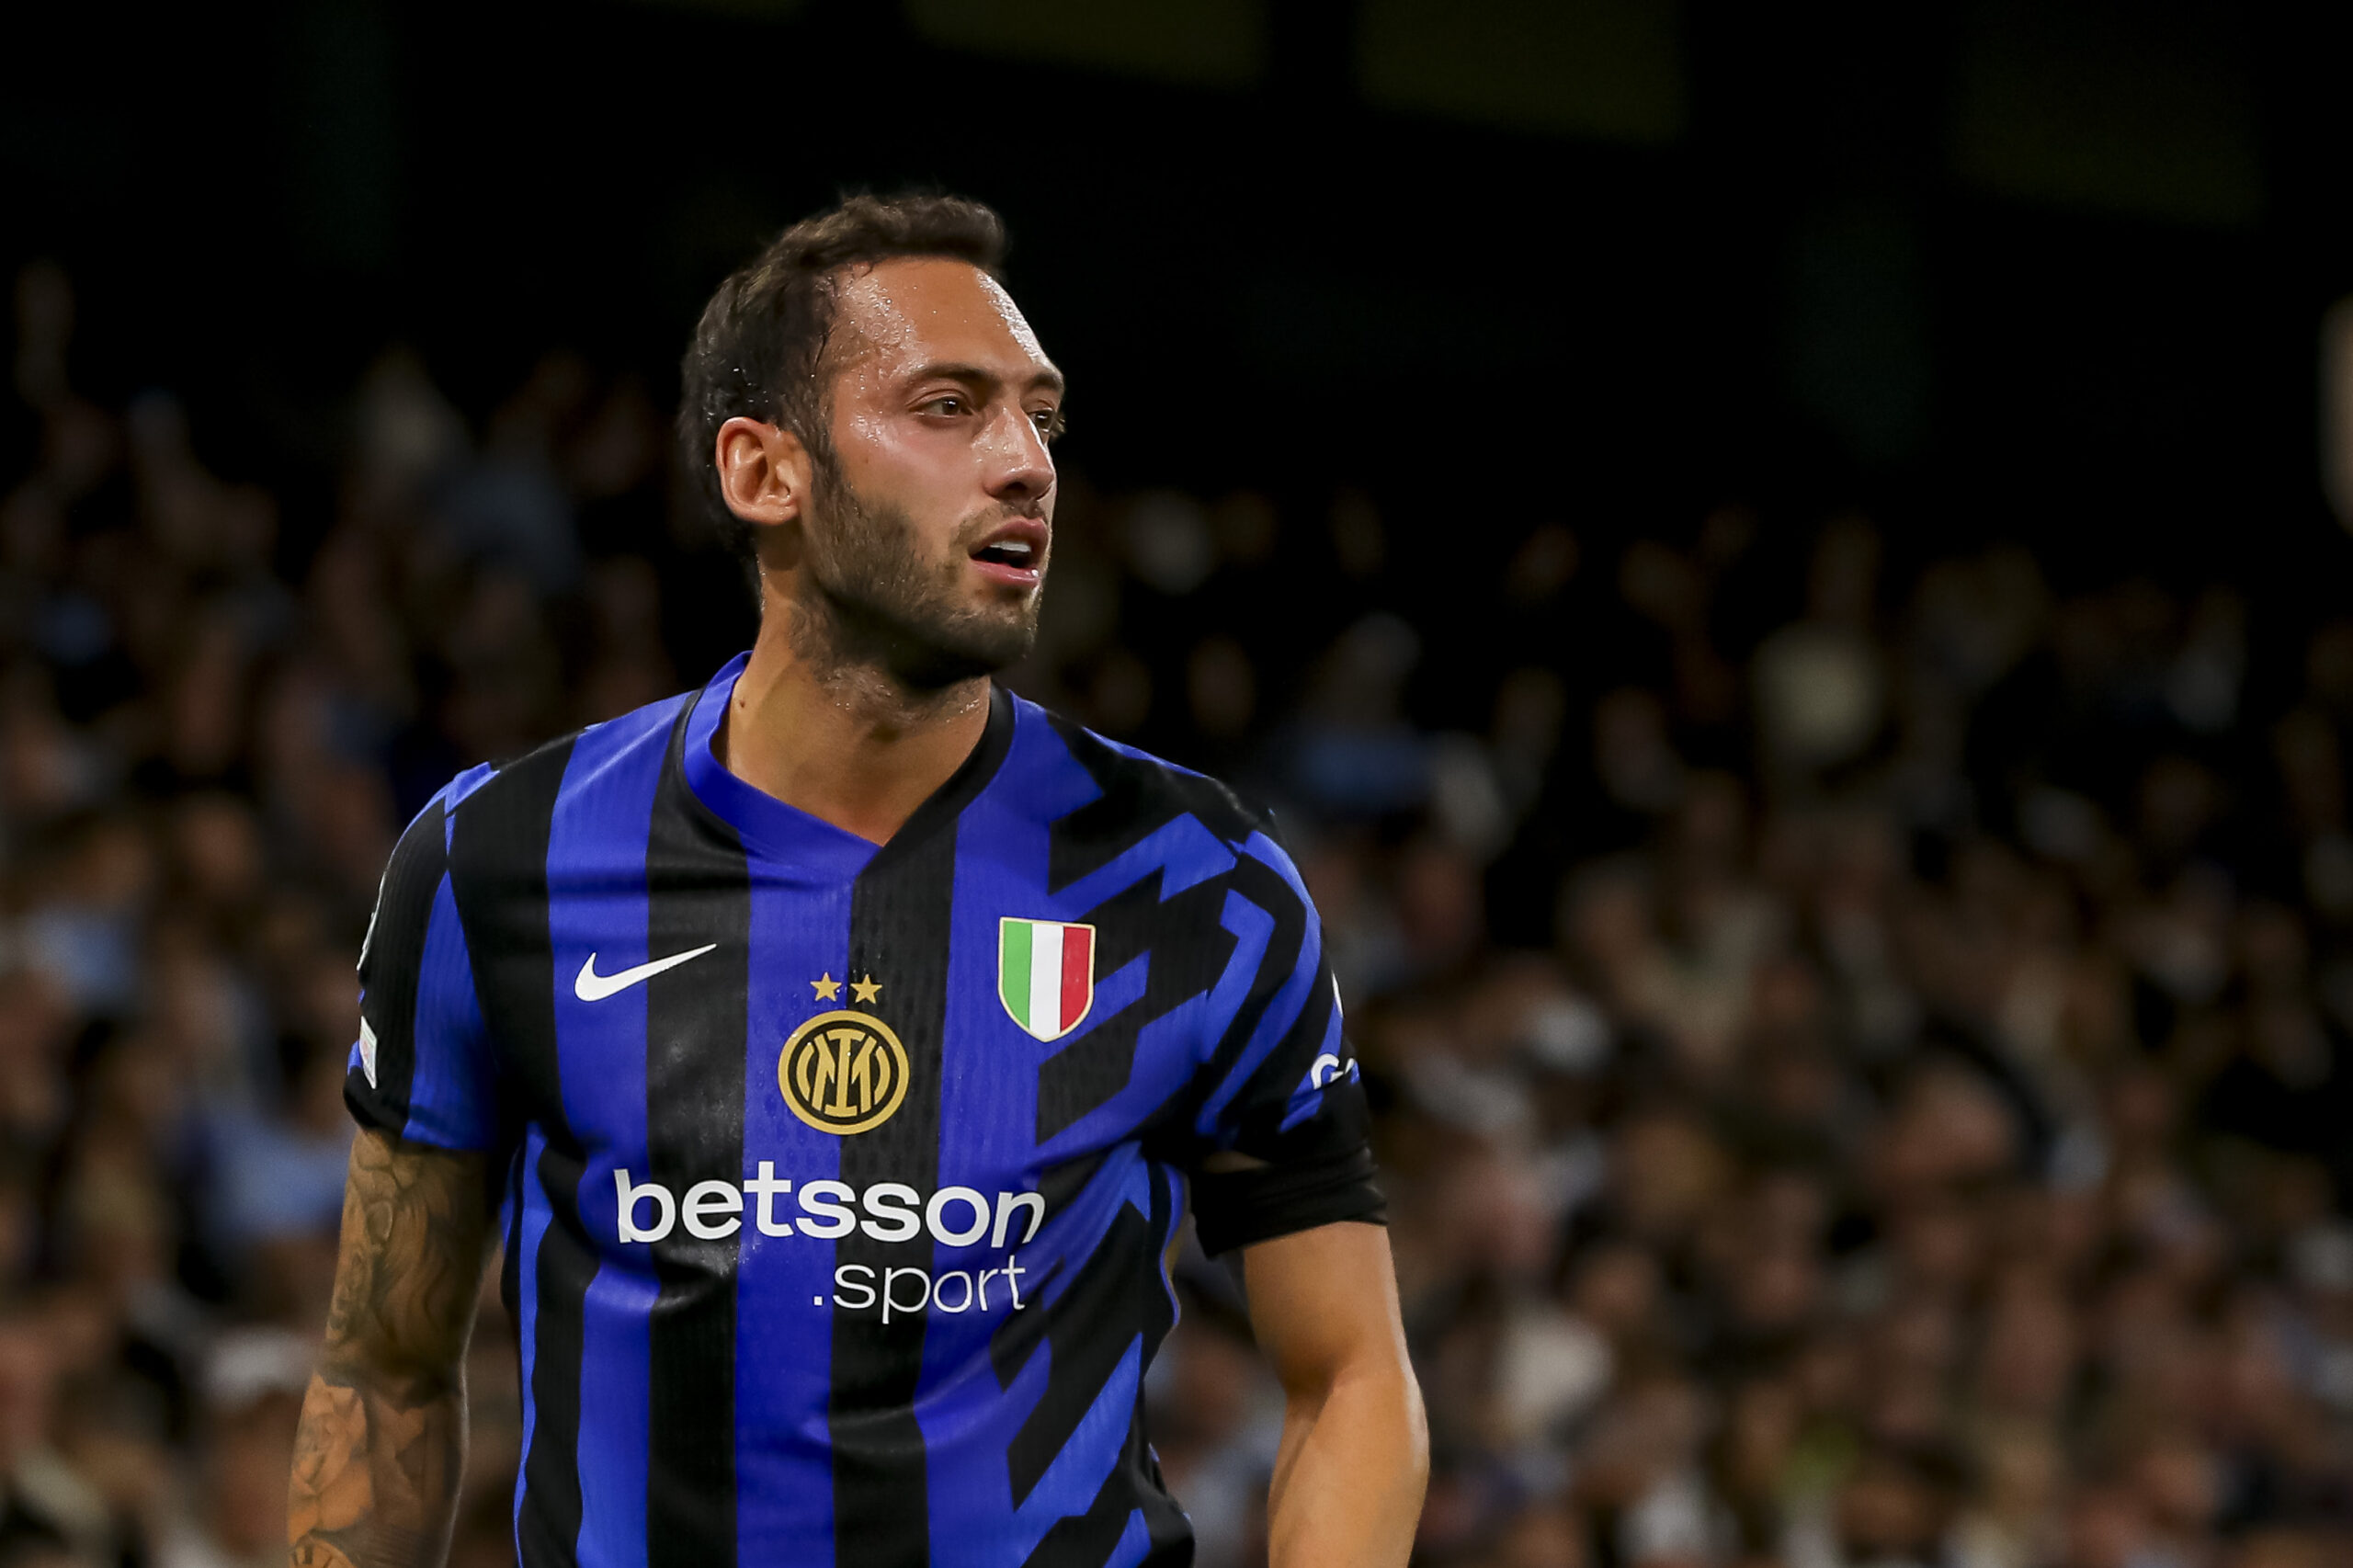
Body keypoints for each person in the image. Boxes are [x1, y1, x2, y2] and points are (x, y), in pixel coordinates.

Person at [285, 193, 1427, 1568]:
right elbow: (384, 1371)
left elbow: (1353, 1373)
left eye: (1041, 417)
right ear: (765, 471)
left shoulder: (1204, 882)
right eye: (949, 406)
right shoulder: (496, 862)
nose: (1025, 464)